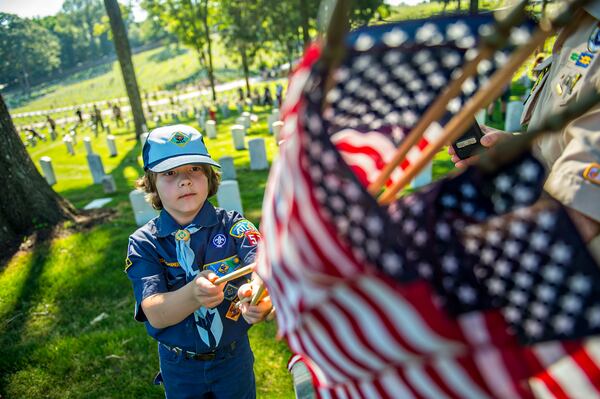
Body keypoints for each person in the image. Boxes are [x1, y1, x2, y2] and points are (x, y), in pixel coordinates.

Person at [125, 124, 272, 399]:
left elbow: (262, 266)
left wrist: (259, 298)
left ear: (209, 176)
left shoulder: (234, 225)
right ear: (151, 183)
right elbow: (156, 313)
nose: (185, 180)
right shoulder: (144, 243)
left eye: (195, 169)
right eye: (170, 173)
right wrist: (193, 294)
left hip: (233, 359)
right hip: (180, 366)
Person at [449, 4, 600, 259]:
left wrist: (465, 252)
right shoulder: (576, 24)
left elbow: (578, 213)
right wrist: (518, 152)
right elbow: (562, 140)